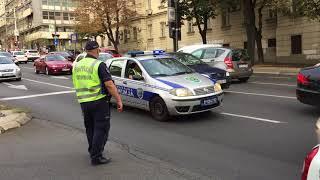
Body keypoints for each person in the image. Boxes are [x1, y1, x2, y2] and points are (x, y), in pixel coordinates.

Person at [72, 41, 123, 166]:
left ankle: (92, 151)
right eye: (99, 50)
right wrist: (119, 100)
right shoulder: (98, 64)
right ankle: (96, 157)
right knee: (101, 128)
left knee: (90, 128)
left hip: (84, 102)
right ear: (96, 50)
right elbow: (109, 84)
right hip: (99, 101)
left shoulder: (77, 65)